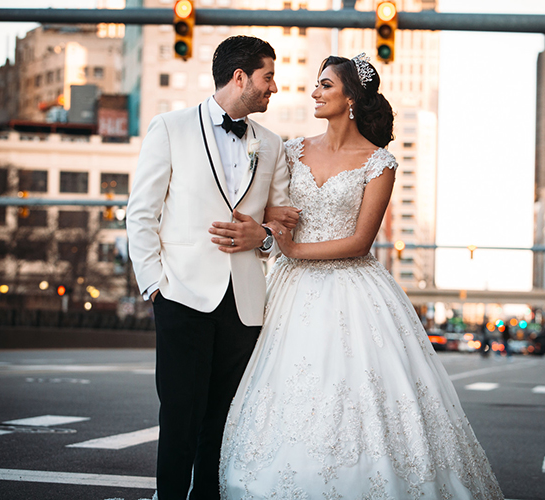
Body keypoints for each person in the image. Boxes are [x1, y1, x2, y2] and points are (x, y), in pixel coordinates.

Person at [217, 54, 504, 500]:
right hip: (292, 290)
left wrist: (291, 249)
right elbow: (269, 207)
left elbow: (360, 242)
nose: (314, 92)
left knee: (360, 390)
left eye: (325, 85)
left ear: (350, 98)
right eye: (316, 84)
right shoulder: (290, 150)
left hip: (354, 287)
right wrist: (269, 229)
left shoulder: (380, 162)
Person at [126, 35, 295, 500]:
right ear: (240, 77)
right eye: (268, 77)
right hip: (180, 295)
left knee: (223, 421)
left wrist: (260, 237)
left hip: (244, 305)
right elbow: (141, 214)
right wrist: (154, 287)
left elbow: (282, 225)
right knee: (180, 415)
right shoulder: (170, 128)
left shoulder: (273, 145)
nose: (273, 88)